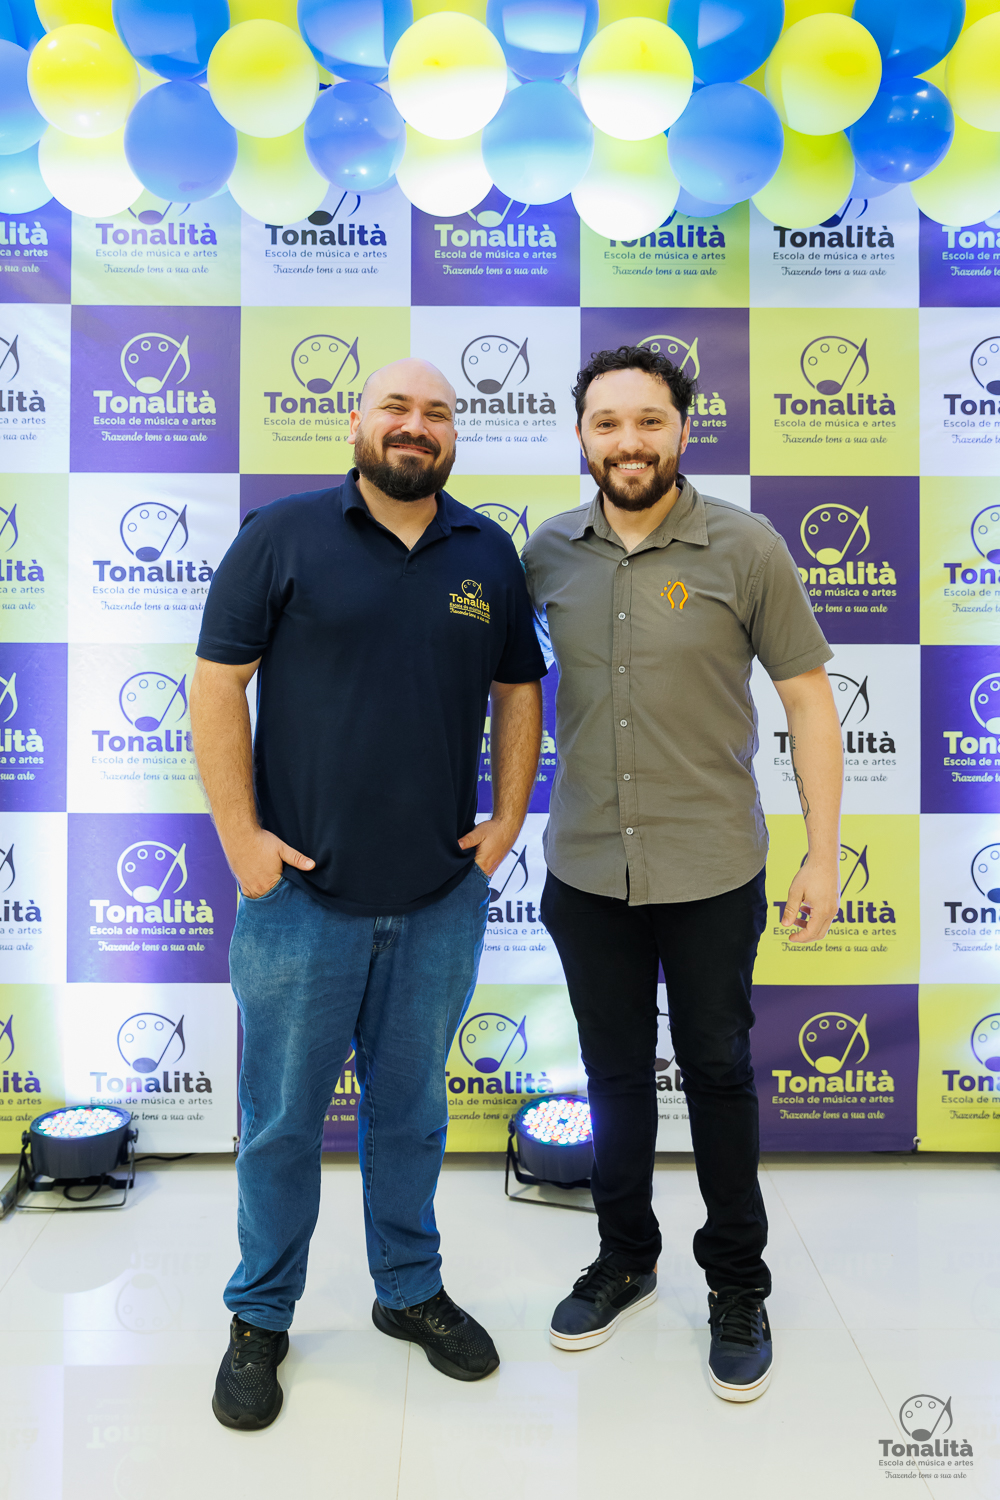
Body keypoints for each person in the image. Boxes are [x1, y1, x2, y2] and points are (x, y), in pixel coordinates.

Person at [191, 358, 545, 1430]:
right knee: (281, 1125)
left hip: (438, 900)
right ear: (357, 421)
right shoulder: (281, 535)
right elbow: (216, 683)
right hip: (300, 902)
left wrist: (507, 821)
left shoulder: (486, 551)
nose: (415, 425)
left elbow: (518, 688)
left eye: (436, 412)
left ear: (452, 436)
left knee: (413, 1115)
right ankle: (260, 1316)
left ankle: (408, 1290)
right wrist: (240, 837)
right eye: (396, 407)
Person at [521, 345, 843, 1402]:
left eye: (648, 421)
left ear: (683, 432)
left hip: (711, 868)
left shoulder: (745, 547)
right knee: (612, 1077)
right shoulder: (546, 554)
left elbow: (807, 701)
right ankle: (625, 1258)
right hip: (585, 869)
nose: (628, 442)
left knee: (716, 1073)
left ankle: (737, 1284)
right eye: (607, 423)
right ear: (582, 436)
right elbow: (503, 689)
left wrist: (823, 852)